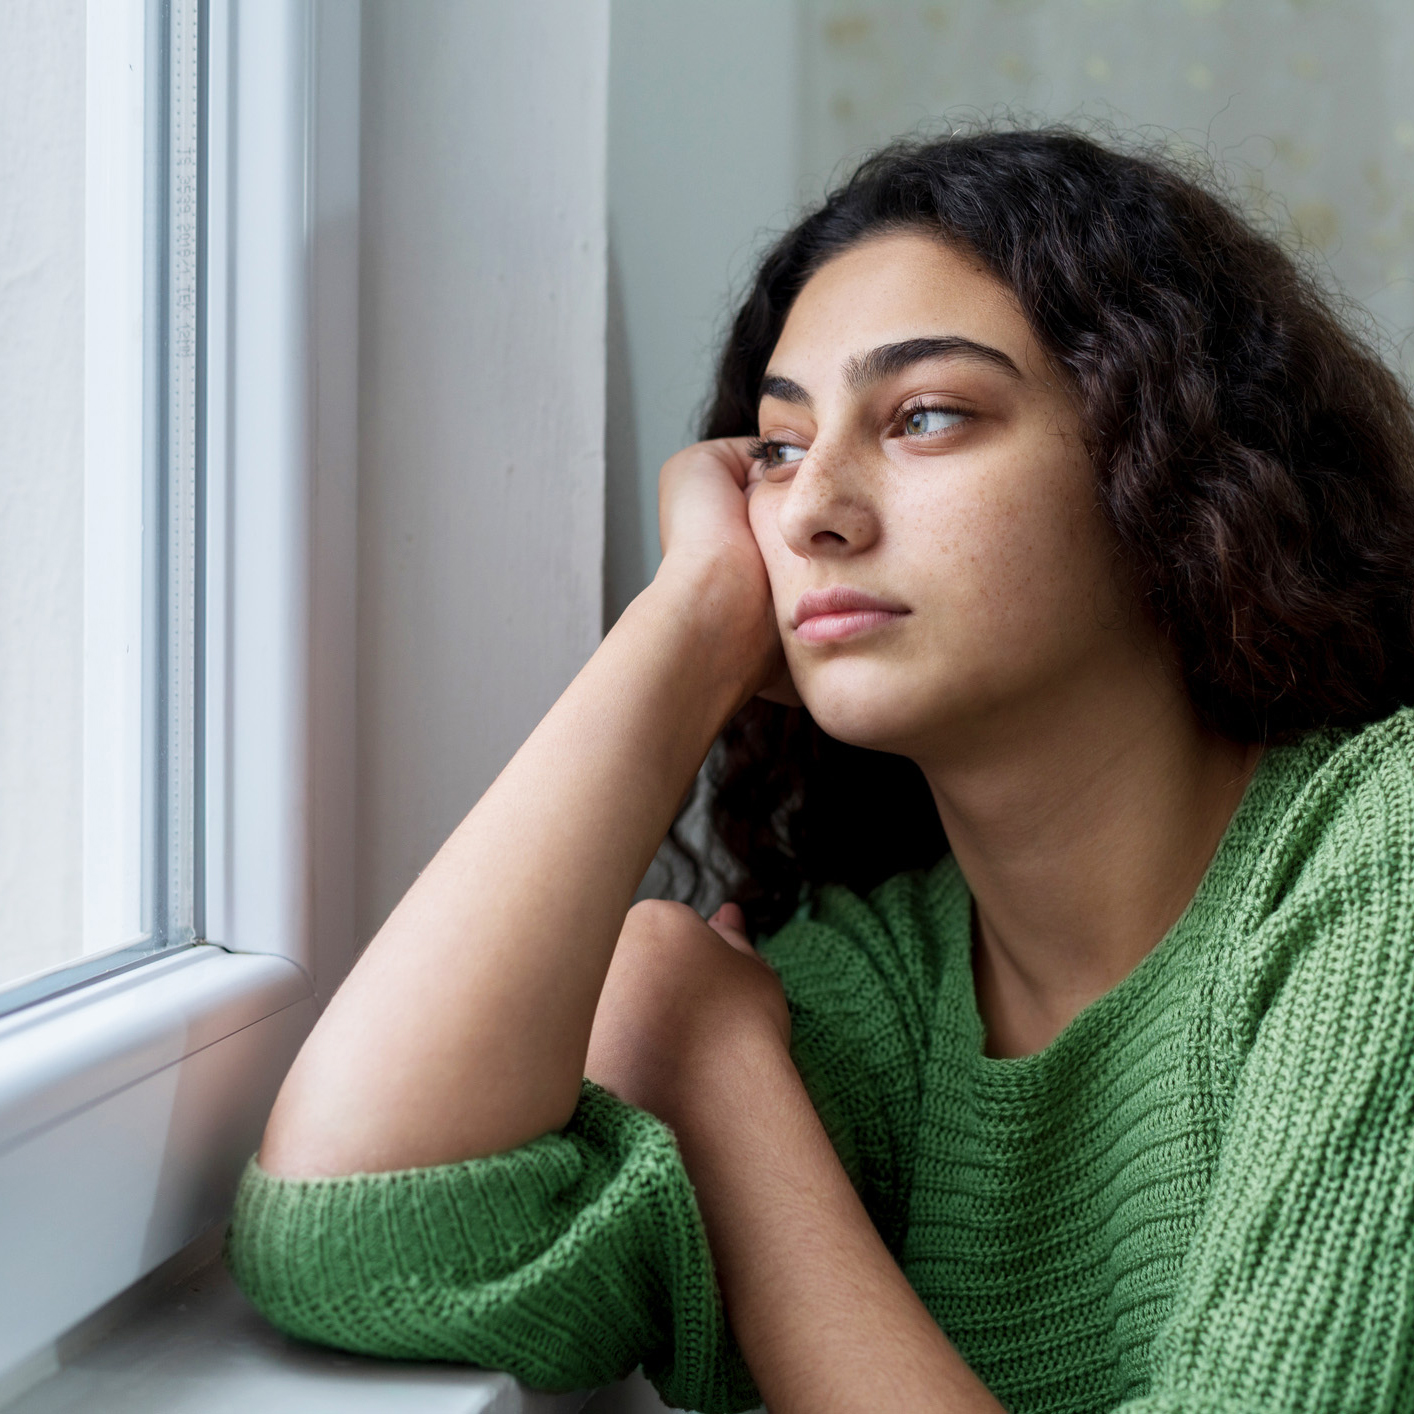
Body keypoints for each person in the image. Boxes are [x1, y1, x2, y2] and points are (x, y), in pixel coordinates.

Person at [225, 127, 1414, 1413]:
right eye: (778, 449)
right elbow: (356, 1231)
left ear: (1170, 463)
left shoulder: (1382, 847)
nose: (807, 511)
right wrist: (692, 619)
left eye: (926, 416)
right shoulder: (884, 990)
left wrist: (722, 1084)